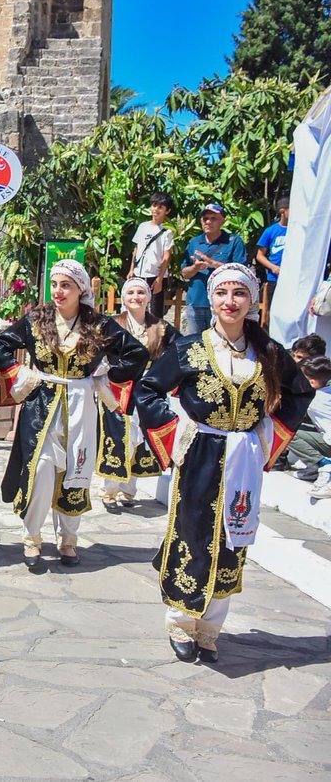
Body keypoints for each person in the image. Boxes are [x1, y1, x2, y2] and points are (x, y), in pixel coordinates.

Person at [135, 263, 312, 663]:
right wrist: (174, 431)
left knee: (235, 535)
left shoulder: (269, 352)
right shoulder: (189, 348)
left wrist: (267, 436)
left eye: (239, 294)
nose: (229, 302)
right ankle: (181, 621)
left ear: (251, 301)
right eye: (221, 293)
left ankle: (211, 627)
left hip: (245, 457)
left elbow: (299, 393)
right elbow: (147, 390)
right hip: (201, 452)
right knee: (192, 531)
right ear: (211, 299)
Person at [0, 260, 149, 570]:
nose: (59, 291)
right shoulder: (37, 320)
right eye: (55, 284)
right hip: (41, 406)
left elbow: (137, 354)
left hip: (81, 405)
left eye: (66, 285)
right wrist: (21, 373)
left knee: (78, 468)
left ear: (81, 289)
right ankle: (31, 538)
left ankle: (68, 540)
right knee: (41, 471)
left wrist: (105, 378)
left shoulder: (98, 325)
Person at [97, 277, 178, 509]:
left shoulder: (160, 328)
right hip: (117, 390)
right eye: (131, 292)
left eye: (141, 292)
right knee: (116, 437)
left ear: (148, 297)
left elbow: (179, 351)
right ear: (124, 297)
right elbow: (96, 352)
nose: (136, 297)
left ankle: (128, 491)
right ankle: (109, 490)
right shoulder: (112, 324)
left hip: (147, 391)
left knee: (140, 438)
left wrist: (164, 375)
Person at [180, 203, 247, 336]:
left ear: (223, 220)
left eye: (213, 218)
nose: (208, 222)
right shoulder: (194, 242)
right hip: (196, 302)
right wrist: (195, 267)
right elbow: (184, 273)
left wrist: (213, 263)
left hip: (223, 305)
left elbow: (241, 271)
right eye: (205, 219)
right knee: (195, 345)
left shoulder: (234, 241)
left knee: (220, 343)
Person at [127, 192, 175, 319]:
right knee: (136, 309)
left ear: (167, 210)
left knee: (155, 313)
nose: (156, 209)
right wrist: (132, 269)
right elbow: (136, 249)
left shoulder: (167, 231)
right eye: (154, 205)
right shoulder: (143, 226)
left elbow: (167, 256)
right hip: (139, 274)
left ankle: (155, 338)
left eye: (160, 207)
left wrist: (159, 279)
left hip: (155, 276)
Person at [285, 355, 331, 488]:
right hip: (325, 437)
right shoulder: (326, 392)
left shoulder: (315, 398)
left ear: (312, 382)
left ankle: (322, 463)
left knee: (288, 432)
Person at [255, 196, 289, 318]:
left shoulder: (299, 230)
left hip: (294, 279)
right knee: (273, 313)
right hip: (274, 279)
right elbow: (259, 255)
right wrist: (273, 267)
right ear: (283, 212)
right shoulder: (271, 231)